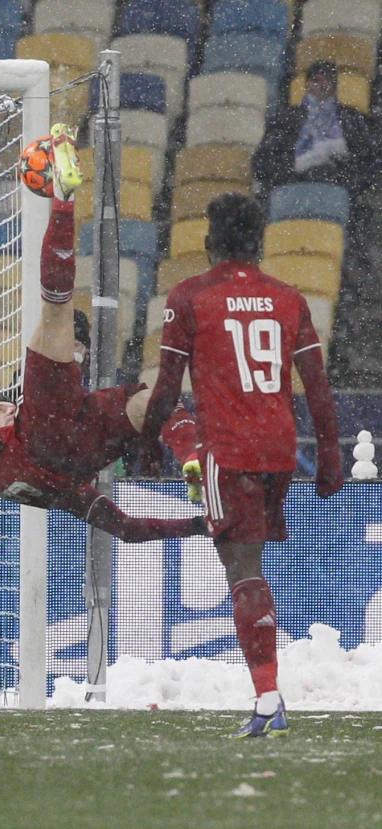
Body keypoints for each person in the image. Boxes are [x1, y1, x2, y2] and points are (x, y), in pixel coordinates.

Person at [138, 192, 343, 738]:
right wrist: (329, 453)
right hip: (278, 449)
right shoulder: (287, 297)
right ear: (257, 244)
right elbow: (318, 388)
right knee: (249, 567)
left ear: (208, 243)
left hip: (227, 451)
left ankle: (268, 698)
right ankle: (268, 692)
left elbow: (165, 387)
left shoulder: (189, 297)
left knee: (241, 569)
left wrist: (143, 444)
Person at [0, 124, 209, 544]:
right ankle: (63, 200)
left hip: (85, 453)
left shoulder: (57, 493)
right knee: (57, 311)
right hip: (54, 431)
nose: (5, 409)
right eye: (1, 413)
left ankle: (194, 456)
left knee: (149, 402)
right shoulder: (3, 447)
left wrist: (198, 527)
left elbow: (127, 529)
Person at [251, 61, 375, 199]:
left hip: (343, 193)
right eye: (316, 80)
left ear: (335, 87)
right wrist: (296, 170)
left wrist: (348, 180)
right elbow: (261, 163)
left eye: (327, 80)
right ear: (307, 85)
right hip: (293, 192)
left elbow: (370, 161)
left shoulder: (352, 118)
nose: (321, 85)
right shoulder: (286, 119)